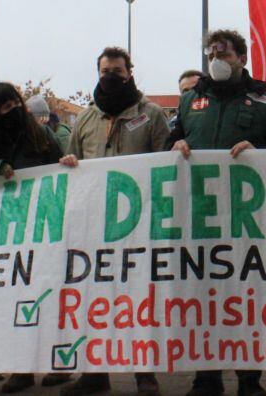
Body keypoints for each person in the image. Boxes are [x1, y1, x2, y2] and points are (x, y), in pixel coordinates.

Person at [167, 29, 266, 396]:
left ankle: (250, 379)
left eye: (226, 53)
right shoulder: (189, 101)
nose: (218, 59)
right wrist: (177, 144)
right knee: (203, 297)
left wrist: (259, 149)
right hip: (200, 218)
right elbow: (169, 143)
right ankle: (207, 377)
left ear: (242, 59)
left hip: (247, 219)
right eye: (212, 53)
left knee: (247, 298)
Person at [56, 46, 168, 396]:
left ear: (129, 73)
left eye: (117, 71)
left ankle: (144, 373)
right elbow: (69, 158)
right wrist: (69, 163)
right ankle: (95, 372)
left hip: (140, 223)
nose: (111, 77)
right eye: (105, 71)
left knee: (140, 298)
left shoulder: (151, 114)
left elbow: (164, 163)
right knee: (95, 299)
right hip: (95, 224)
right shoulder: (86, 119)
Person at [0, 83, 67, 393]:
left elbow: (61, 162)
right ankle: (21, 368)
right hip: (6, 232)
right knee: (15, 301)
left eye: (15, 104)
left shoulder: (41, 135)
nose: (13, 111)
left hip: (44, 227)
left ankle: (55, 365)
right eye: (5, 108)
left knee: (47, 298)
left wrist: (67, 164)